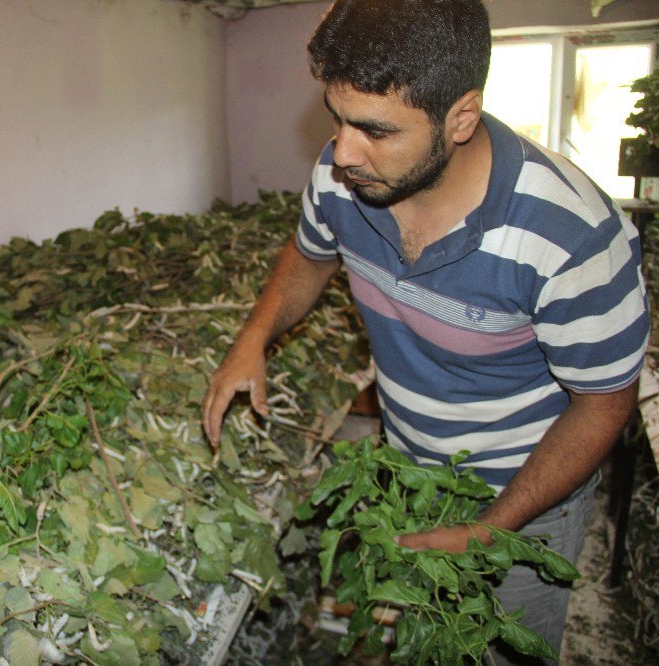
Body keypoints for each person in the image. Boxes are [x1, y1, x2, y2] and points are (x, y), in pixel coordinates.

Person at [201, 0, 649, 663]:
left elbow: (604, 403)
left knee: (499, 646)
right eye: (337, 119)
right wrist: (253, 337)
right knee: (419, 639)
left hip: (523, 494)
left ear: (460, 118)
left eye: (376, 130)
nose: (342, 152)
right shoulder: (343, 177)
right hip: (410, 468)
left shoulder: (572, 239)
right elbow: (310, 255)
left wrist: (490, 530)